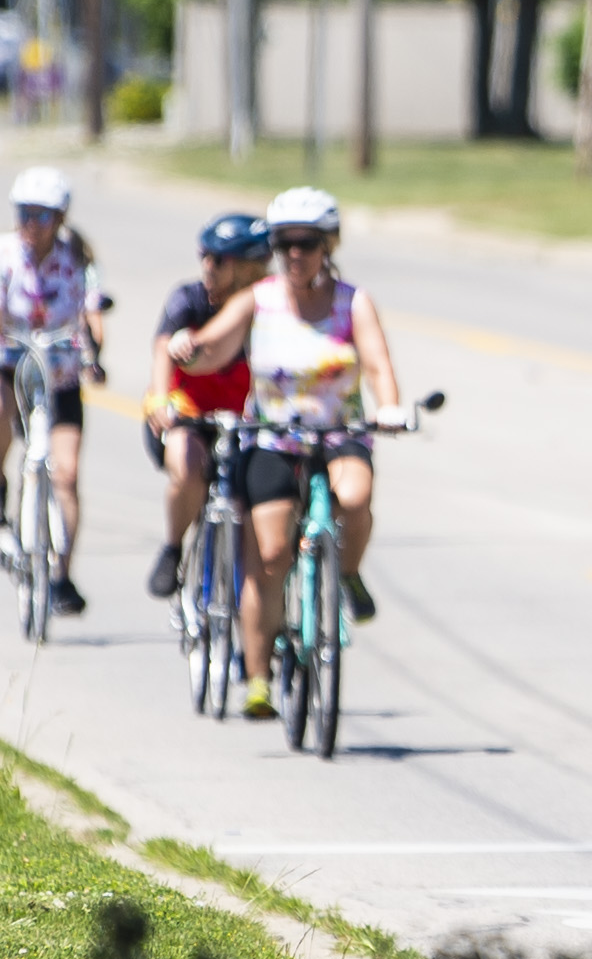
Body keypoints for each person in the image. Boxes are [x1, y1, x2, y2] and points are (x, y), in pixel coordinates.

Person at [167, 186, 412, 678]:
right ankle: (258, 678)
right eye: (285, 244)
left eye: (307, 243)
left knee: (356, 496)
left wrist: (389, 408)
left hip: (338, 431)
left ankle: (346, 574)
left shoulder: (353, 302)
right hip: (272, 438)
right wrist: (188, 345)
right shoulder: (259, 299)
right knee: (272, 554)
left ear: (329, 246)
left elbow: (378, 364)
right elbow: (213, 344)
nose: (295, 255)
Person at [144, 211, 275, 709]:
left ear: (247, 268)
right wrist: (160, 399)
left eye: (219, 259)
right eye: (204, 255)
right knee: (186, 462)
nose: (207, 266)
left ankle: (255, 642)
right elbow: (163, 348)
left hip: (244, 420)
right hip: (187, 413)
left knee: (252, 522)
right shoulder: (189, 299)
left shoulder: (266, 308)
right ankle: (174, 548)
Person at [0, 166, 111, 616]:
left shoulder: (78, 258)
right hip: (15, 365)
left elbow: (93, 315)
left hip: (60, 376)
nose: (31, 224)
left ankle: (62, 575)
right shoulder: (1, 252)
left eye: (42, 216)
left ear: (60, 218)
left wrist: (93, 353)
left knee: (67, 474)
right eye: (24, 214)